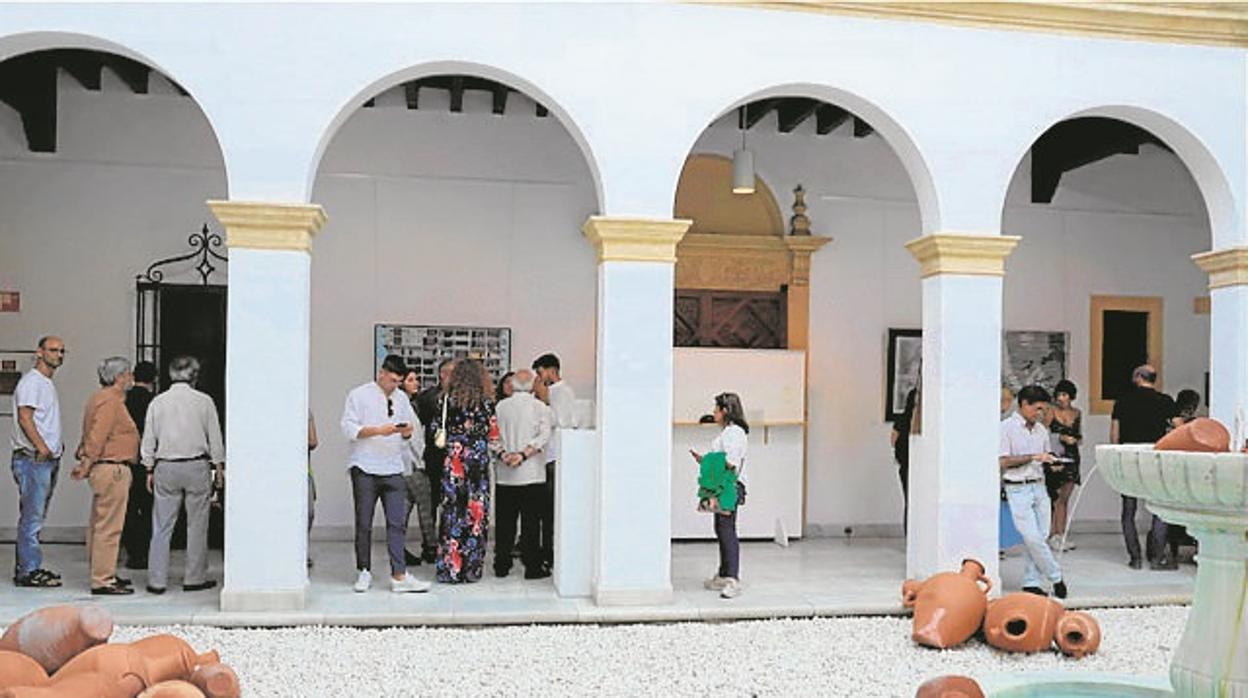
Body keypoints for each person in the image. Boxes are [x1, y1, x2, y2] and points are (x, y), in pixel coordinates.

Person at [340, 355, 430, 594]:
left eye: (399, 382)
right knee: (364, 522)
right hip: (365, 467)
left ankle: (399, 575)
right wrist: (378, 431)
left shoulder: (401, 399)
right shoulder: (358, 395)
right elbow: (348, 428)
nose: (394, 386)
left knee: (397, 523)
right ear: (381, 373)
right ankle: (364, 571)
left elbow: (407, 433)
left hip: (393, 467)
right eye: (391, 380)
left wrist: (407, 433)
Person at [141, 356, 224, 594]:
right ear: (194, 375)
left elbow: (149, 437)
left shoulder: (158, 402)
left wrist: (148, 467)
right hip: (196, 465)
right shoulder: (204, 401)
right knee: (197, 525)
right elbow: (214, 437)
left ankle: (156, 580)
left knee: (161, 526)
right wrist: (218, 466)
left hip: (165, 465)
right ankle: (194, 578)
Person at [72, 356, 138, 595]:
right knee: (109, 526)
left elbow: (90, 432)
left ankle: (103, 572)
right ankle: (102, 579)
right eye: (129, 373)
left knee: (99, 525)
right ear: (119, 377)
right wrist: (87, 461)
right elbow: (97, 436)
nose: (132, 378)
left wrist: (86, 460)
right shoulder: (110, 401)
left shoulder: (99, 398)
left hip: (105, 467)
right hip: (112, 468)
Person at [999, 385, 1067, 598]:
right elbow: (1004, 462)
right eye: (1037, 409)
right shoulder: (1006, 428)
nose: (1040, 414)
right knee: (1032, 537)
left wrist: (1052, 462)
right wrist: (1033, 457)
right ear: (1024, 405)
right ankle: (1056, 577)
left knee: (1041, 536)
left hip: (1039, 486)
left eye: (1043, 410)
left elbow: (1044, 456)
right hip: (1017, 488)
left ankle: (1031, 582)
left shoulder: (1041, 430)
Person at [436, 359, 499, 584]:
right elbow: (493, 436)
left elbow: (435, 429)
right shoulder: (486, 403)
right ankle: (471, 570)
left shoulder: (445, 400)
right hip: (477, 465)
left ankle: (451, 569)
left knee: (452, 514)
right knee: (476, 515)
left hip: (454, 461)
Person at [10, 336, 66, 588]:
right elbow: (25, 417)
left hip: (45, 459)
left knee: (36, 516)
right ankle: (28, 571)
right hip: (34, 459)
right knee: (32, 518)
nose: (59, 355)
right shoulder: (32, 382)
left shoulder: (44, 383)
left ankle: (30, 566)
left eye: (62, 351)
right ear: (39, 352)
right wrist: (42, 447)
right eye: (53, 350)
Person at [1111, 364, 1177, 570]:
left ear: (1138, 377)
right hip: (1155, 459)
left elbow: (1114, 434)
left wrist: (1116, 457)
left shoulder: (1123, 401)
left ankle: (1135, 558)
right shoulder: (1165, 401)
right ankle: (1157, 558)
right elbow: (1180, 427)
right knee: (1160, 510)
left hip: (1130, 458)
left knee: (1128, 511)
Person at [493, 369, 552, 579]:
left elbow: (492, 436)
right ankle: (532, 566)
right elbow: (544, 436)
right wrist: (523, 455)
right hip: (532, 475)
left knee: (504, 524)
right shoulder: (540, 408)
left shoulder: (500, 407)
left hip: (505, 475)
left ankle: (501, 564)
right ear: (532, 385)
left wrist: (504, 455)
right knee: (531, 524)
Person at [690, 392, 749, 600]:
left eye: (716, 410)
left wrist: (709, 462)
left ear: (725, 411)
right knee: (722, 528)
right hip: (723, 486)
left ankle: (732, 578)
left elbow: (731, 461)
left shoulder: (734, 433)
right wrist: (705, 460)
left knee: (727, 529)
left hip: (729, 487)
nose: (713, 414)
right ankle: (724, 574)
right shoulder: (728, 433)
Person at [532, 353, 574, 570]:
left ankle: (550, 553)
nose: (538, 378)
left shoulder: (563, 392)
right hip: (545, 457)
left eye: (540, 373)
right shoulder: (550, 393)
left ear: (551, 370)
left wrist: (544, 402)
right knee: (543, 509)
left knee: (550, 510)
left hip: (555, 457)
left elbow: (563, 421)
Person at [415, 358, 454, 564]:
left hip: (456, 458)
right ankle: (429, 545)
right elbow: (417, 425)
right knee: (430, 503)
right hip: (434, 457)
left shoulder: (463, 396)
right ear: (441, 374)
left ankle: (450, 544)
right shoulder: (428, 397)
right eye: (449, 372)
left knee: (454, 503)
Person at [121, 360, 156, 571]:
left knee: (129, 507)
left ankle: (132, 552)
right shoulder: (154, 402)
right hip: (146, 459)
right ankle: (145, 552)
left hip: (127, 457)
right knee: (148, 507)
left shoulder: (124, 399)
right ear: (154, 378)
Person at [399, 368, 435, 566]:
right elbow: (412, 438)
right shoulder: (404, 405)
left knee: (405, 506)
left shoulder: (406, 404)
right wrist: (422, 459)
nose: (417, 383)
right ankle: (431, 547)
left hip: (407, 464)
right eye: (411, 380)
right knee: (425, 506)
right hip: (413, 463)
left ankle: (398, 547)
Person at [1043, 379, 1082, 553]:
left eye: (1064, 395)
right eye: (1059, 395)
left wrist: (1075, 440)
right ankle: (1052, 534)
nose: (1061, 398)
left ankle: (1062, 534)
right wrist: (1060, 438)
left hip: (1072, 456)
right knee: (1054, 497)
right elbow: (1043, 432)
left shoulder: (1077, 413)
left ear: (1071, 397)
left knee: (1065, 498)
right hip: (1056, 455)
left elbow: (1080, 436)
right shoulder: (1051, 412)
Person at [890, 387, 918, 534]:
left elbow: (893, 440)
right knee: (917, 501)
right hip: (918, 466)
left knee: (910, 501)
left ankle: (910, 537)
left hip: (905, 465)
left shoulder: (901, 419)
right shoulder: (923, 421)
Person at [306, 409, 318, 568]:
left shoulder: (306, 411)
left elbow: (313, 441)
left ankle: (303, 550)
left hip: (303, 471)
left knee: (308, 512)